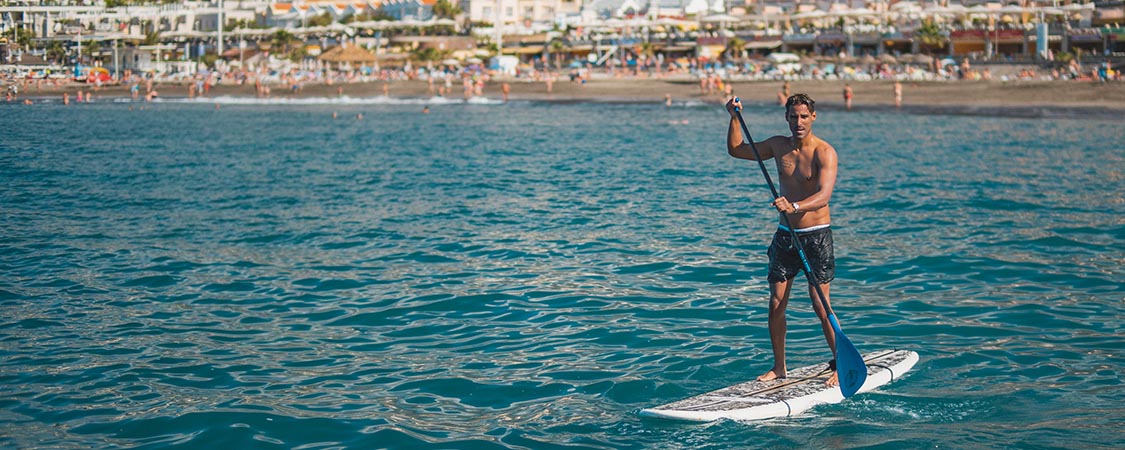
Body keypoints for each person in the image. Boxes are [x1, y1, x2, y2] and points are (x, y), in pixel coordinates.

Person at [724, 93, 842, 387]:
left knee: (820, 303)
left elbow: (825, 195)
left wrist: (796, 206)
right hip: (786, 236)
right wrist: (734, 118)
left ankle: (840, 362)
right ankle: (779, 367)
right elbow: (737, 150)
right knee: (776, 303)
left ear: (813, 117)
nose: (798, 122)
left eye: (803, 116)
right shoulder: (778, 146)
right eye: (793, 117)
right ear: (786, 118)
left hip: (816, 237)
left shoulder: (824, 152)